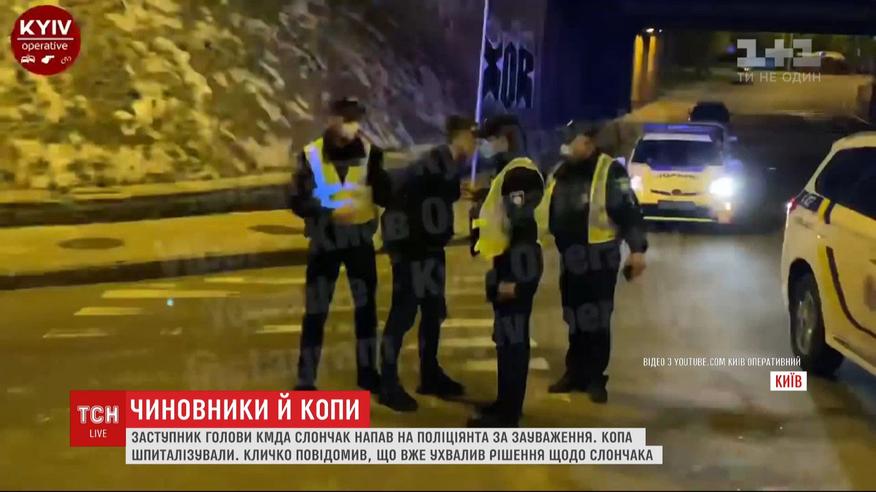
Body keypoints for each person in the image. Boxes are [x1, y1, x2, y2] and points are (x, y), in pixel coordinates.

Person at [537, 121, 648, 403]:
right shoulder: (562, 171)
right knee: (574, 315)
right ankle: (575, 372)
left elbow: (629, 211)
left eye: (572, 141)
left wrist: (637, 250)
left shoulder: (610, 171)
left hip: (600, 256)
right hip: (571, 256)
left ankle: (596, 378)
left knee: (597, 319)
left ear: (588, 143)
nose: (567, 146)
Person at [288, 97, 392, 392]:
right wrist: (328, 211)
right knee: (316, 312)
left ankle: (367, 373)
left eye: (355, 120)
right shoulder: (311, 155)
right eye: (346, 120)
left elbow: (385, 195)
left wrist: (386, 185)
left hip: (359, 241)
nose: (351, 126)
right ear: (331, 120)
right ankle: (306, 379)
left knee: (366, 311)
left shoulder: (371, 153)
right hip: (326, 241)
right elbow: (297, 200)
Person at [378, 116, 478, 412]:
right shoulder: (432, 163)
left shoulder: (447, 165)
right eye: (473, 138)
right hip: (413, 252)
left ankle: (430, 374)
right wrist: (400, 246)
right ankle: (387, 383)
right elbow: (397, 195)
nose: (477, 145)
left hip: (430, 250)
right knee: (403, 315)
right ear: (460, 137)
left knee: (434, 312)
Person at [466, 116, 546, 428]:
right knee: (506, 338)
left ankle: (508, 415)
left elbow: (523, 227)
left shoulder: (519, 174)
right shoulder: (508, 173)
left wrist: (513, 278)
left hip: (517, 263)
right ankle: (505, 404)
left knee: (513, 341)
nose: (483, 146)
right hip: (509, 261)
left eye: (488, 139)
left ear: (504, 139)